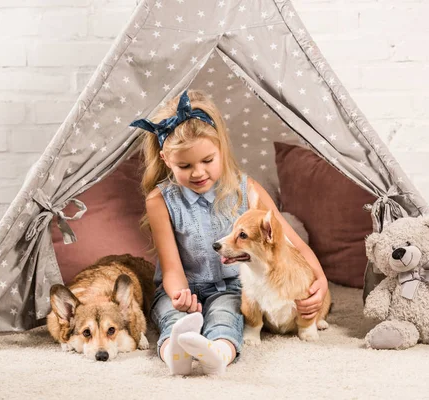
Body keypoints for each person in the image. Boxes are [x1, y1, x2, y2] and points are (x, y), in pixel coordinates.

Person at [129, 89, 328, 376]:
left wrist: (319, 281)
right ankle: (174, 354)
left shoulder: (246, 189)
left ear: (221, 148)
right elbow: (171, 267)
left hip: (232, 288)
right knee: (173, 318)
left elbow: (290, 242)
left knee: (226, 317)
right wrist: (180, 295)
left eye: (207, 160)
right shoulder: (160, 200)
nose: (198, 173)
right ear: (165, 159)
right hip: (183, 289)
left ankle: (218, 353)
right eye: (185, 166)